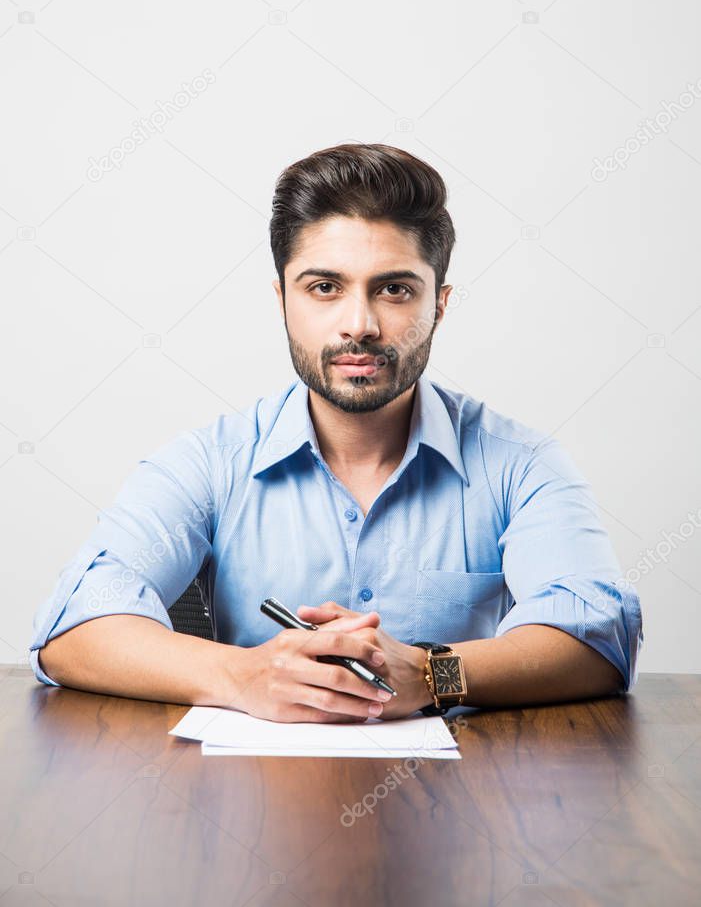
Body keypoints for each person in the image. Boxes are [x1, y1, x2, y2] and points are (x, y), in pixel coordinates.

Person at [30, 143, 643, 722]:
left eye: (395, 289)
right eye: (325, 287)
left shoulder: (522, 464)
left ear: (441, 303)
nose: (360, 324)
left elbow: (599, 638)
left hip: (461, 814)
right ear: (283, 300)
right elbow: (74, 627)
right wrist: (243, 675)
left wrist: (435, 673)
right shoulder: (208, 463)